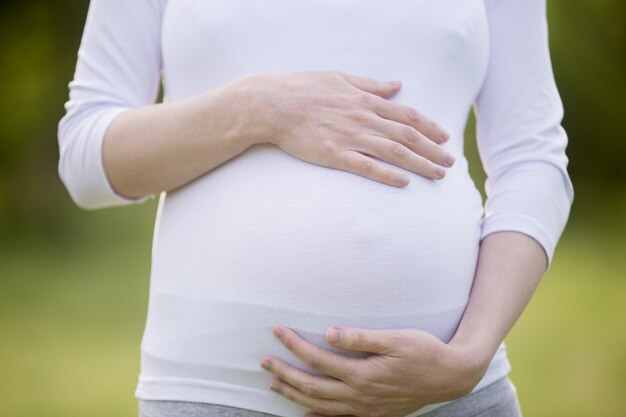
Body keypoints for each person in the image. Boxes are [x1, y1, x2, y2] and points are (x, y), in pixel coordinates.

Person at [57, 0, 574, 416]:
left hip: (451, 396)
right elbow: (85, 160)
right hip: (216, 394)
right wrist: (258, 107)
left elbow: (532, 157)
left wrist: (469, 355)